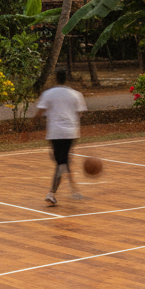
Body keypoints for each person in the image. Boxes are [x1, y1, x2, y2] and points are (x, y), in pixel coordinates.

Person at [34, 69, 87, 206]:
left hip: (55, 132)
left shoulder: (48, 94)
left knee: (61, 161)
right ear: (66, 79)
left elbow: (40, 112)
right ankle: (73, 190)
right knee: (63, 161)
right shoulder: (76, 94)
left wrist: (29, 126)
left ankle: (52, 193)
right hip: (70, 132)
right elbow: (80, 113)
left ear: (56, 78)